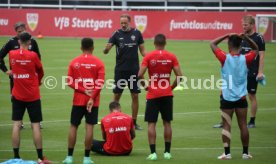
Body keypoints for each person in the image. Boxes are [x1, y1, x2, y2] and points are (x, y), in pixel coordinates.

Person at [210, 33, 258, 160]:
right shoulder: (246, 58)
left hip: (226, 98)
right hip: (241, 98)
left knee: (226, 125)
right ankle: (245, 153)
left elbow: (212, 44)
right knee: (243, 124)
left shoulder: (224, 58)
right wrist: (246, 38)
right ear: (241, 46)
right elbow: (256, 49)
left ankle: (227, 153)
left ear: (229, 45)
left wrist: (225, 35)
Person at [213, 15, 266, 128]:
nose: (244, 27)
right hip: (240, 72)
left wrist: (260, 72)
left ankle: (252, 121)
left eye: (246, 25)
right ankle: (224, 121)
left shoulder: (258, 38)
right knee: (225, 93)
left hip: (252, 71)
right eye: (243, 25)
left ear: (252, 25)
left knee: (251, 95)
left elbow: (261, 55)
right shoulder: (241, 38)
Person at [138, 34, 183, 160]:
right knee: (167, 123)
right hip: (167, 94)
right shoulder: (171, 56)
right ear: (165, 43)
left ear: (154, 43)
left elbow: (139, 74)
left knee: (151, 124)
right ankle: (167, 152)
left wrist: (145, 86)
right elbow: (180, 76)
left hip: (153, 94)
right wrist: (171, 87)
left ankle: (153, 153)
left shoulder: (149, 56)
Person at [9, 32, 50, 163]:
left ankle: (16, 157)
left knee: (16, 124)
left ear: (19, 41)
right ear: (30, 42)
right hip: (32, 94)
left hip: (17, 94)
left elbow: (14, 69)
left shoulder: (12, 54)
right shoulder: (33, 55)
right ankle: (40, 157)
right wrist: (37, 80)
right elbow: (41, 70)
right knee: (36, 126)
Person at [63, 38, 105, 164]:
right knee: (89, 127)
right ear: (93, 48)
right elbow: (100, 83)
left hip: (78, 100)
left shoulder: (74, 61)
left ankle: (69, 157)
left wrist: (82, 90)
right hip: (93, 101)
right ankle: (86, 158)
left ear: (81, 48)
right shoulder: (99, 63)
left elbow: (69, 81)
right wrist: (91, 97)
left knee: (73, 126)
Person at [103, 14, 146, 130]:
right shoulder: (116, 34)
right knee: (117, 95)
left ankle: (134, 122)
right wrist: (106, 49)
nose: (123, 25)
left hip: (134, 71)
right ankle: (112, 119)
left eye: (125, 23)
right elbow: (106, 51)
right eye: (121, 23)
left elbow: (143, 52)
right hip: (120, 70)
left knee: (135, 95)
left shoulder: (137, 33)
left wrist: (150, 59)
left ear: (129, 22)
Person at [0, 22, 42, 129]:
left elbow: (38, 57)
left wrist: (38, 75)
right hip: (16, 78)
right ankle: (20, 121)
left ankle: (36, 121)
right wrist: (6, 70)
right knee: (16, 98)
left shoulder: (32, 41)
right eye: (19, 31)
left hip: (31, 78)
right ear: (16, 32)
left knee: (33, 98)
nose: (21, 33)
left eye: (22, 31)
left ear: (26, 29)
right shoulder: (11, 42)